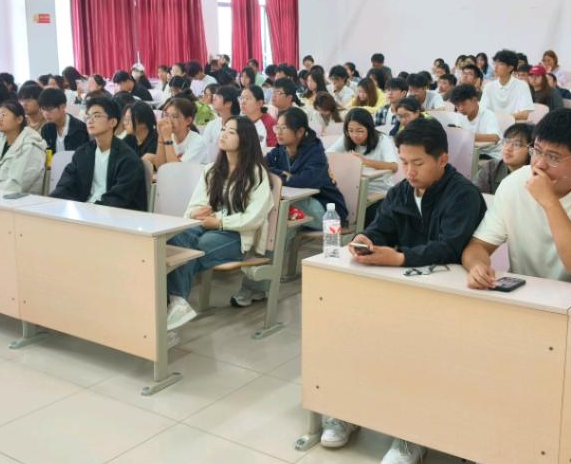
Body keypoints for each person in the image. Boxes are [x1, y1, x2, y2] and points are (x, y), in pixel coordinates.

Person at [450, 109, 571, 464]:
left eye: (553, 157)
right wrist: (477, 264)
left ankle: (513, 463)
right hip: (526, 305)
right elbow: (478, 246)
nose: (540, 165)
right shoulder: (515, 184)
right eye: (537, 151)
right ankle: (498, 460)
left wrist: (549, 203)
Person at [325, 118, 487, 464]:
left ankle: (410, 434)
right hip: (403, 289)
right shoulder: (401, 191)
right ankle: (348, 410)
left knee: (414, 353)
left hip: (448, 298)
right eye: (403, 162)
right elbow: (381, 227)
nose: (409, 171)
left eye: (417, 163)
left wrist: (399, 258)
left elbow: (450, 248)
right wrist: (365, 240)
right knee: (352, 333)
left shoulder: (464, 195)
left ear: (442, 159)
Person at [231, 108, 348, 308]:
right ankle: (256, 287)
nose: (278, 132)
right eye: (277, 127)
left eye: (283, 128)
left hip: (327, 212)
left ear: (300, 132)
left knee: (279, 212)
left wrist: (279, 176)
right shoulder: (280, 151)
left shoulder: (315, 153)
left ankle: (255, 287)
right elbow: (261, 168)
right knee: (279, 227)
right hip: (295, 208)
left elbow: (305, 181)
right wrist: (284, 175)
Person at [165, 116, 273, 333]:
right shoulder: (212, 169)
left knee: (194, 250)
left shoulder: (256, 173)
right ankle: (176, 303)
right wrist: (196, 213)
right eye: (223, 129)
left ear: (245, 139)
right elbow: (194, 205)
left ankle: (173, 303)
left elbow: (254, 217)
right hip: (207, 224)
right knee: (175, 240)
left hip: (236, 235)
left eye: (231, 132)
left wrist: (221, 222)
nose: (223, 134)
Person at [50, 95, 147, 213]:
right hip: (85, 212)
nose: (90, 121)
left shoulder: (127, 158)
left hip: (115, 215)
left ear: (112, 122)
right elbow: (65, 186)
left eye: (96, 116)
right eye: (88, 116)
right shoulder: (82, 153)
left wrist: (88, 210)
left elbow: (118, 198)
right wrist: (51, 203)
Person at [326, 108, 399, 223]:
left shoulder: (383, 140)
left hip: (378, 192)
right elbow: (327, 155)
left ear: (369, 129)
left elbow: (394, 167)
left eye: (360, 131)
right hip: (353, 190)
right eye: (350, 130)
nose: (354, 135)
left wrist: (365, 161)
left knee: (369, 217)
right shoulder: (347, 138)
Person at [0, 101, 48, 195]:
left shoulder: (31, 146)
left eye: (3, 115)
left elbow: (17, 185)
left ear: (19, 119)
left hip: (20, 200)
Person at [148, 98, 210, 168]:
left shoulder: (198, 141)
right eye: (167, 115)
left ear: (188, 121)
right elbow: (160, 166)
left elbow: (177, 169)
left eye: (174, 117)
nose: (169, 121)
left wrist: (167, 139)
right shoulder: (169, 136)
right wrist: (161, 137)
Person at [473, 122, 532, 195]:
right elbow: (475, 195)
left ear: (531, 150)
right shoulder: (490, 168)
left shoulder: (534, 176)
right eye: (507, 141)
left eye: (517, 144)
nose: (508, 148)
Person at [479, 50, 534, 120]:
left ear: (510, 68)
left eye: (500, 64)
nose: (495, 67)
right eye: (495, 63)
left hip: (515, 124)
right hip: (493, 124)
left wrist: (504, 119)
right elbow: (482, 112)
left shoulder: (522, 86)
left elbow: (525, 114)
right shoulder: (488, 87)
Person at [450, 84, 501, 159]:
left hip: (491, 155)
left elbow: (495, 137)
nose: (460, 108)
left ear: (474, 100)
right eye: (457, 105)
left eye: (463, 104)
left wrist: (467, 136)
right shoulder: (459, 116)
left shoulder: (488, 115)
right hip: (471, 153)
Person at [39, 87, 89, 153]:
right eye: (43, 109)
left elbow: (82, 155)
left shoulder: (79, 128)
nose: (46, 113)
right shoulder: (46, 129)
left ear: (63, 106)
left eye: (49, 109)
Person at [202, 85, 240, 151]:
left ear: (228, 103)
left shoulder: (241, 125)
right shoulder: (212, 124)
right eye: (215, 96)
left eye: (219, 97)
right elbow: (203, 146)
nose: (214, 99)